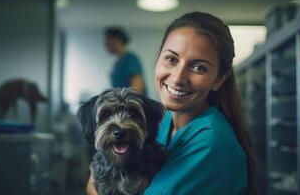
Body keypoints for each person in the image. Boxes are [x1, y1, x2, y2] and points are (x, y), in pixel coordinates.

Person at [87, 12, 255, 195]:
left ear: (219, 79)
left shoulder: (210, 144)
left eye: (199, 67)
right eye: (171, 59)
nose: (177, 78)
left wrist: (93, 185)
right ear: (159, 58)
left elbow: (93, 183)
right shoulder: (165, 120)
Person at [105, 26, 146, 94]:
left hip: (131, 103)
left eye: (108, 41)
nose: (105, 44)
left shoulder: (130, 59)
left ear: (117, 39)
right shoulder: (117, 64)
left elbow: (137, 88)